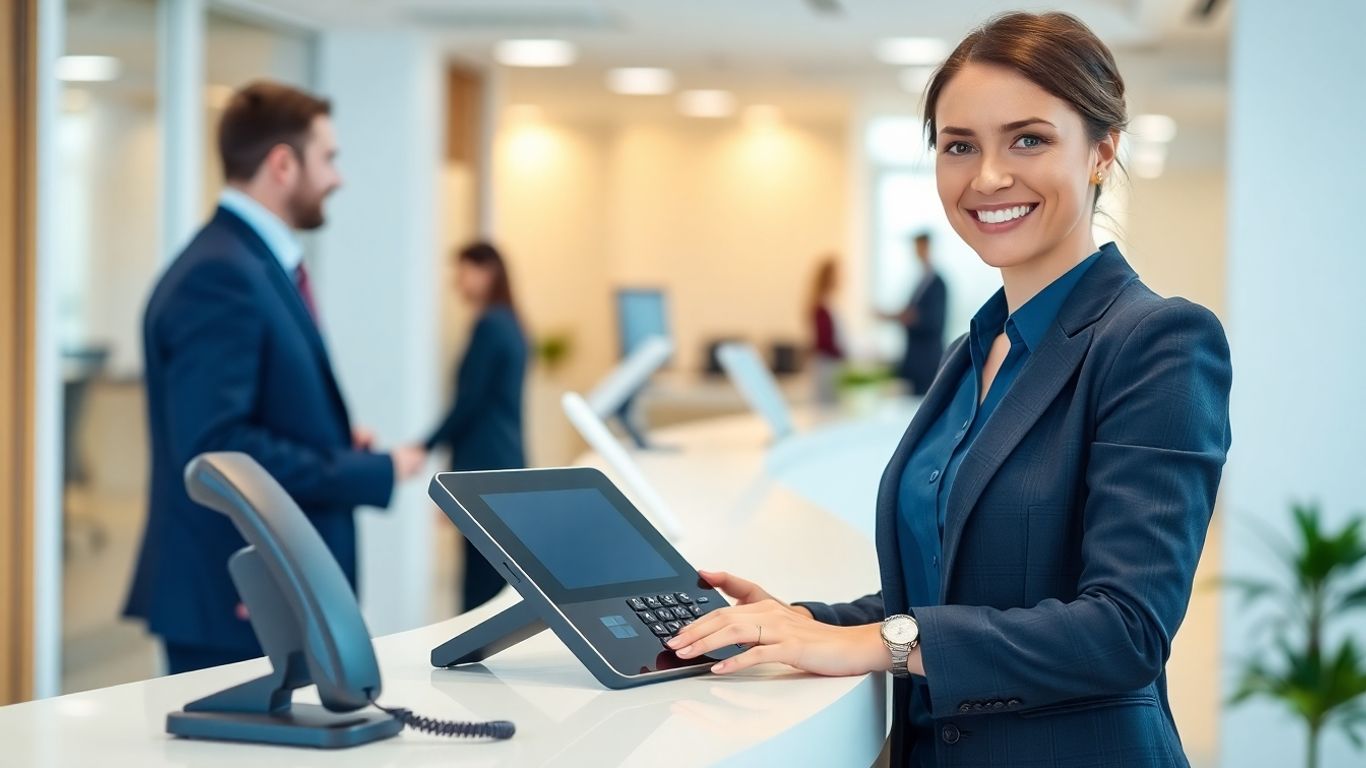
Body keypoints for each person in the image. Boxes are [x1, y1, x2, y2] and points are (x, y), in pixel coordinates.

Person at [666, 12, 1232, 768]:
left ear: (1102, 152)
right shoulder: (974, 351)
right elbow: (949, 594)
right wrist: (799, 621)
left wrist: (876, 643)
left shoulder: (1156, 341)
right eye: (959, 145)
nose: (988, 176)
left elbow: (1125, 630)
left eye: (1028, 139)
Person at [124, 81, 428, 675]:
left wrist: (335, 444)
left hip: (265, 586)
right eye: (329, 159)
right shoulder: (220, 275)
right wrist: (367, 470)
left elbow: (255, 413)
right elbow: (218, 450)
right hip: (234, 596)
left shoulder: (250, 264)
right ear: (283, 164)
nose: (338, 178)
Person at [424, 241, 528, 613]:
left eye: (463, 272)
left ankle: (471, 656)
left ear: (487, 272)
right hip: (503, 458)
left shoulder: (490, 326)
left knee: (479, 583)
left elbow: (469, 403)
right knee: (493, 574)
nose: (458, 283)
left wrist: (424, 445)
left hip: (483, 462)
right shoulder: (510, 322)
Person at [890, 232, 947, 395]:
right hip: (914, 359)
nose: (918, 251)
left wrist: (907, 317)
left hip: (927, 361)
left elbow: (935, 321)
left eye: (920, 247)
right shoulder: (920, 282)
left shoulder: (937, 283)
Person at [807, 256, 845, 405]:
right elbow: (824, 341)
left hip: (833, 364)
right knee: (826, 406)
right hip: (826, 365)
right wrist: (844, 354)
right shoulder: (821, 307)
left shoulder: (830, 304)